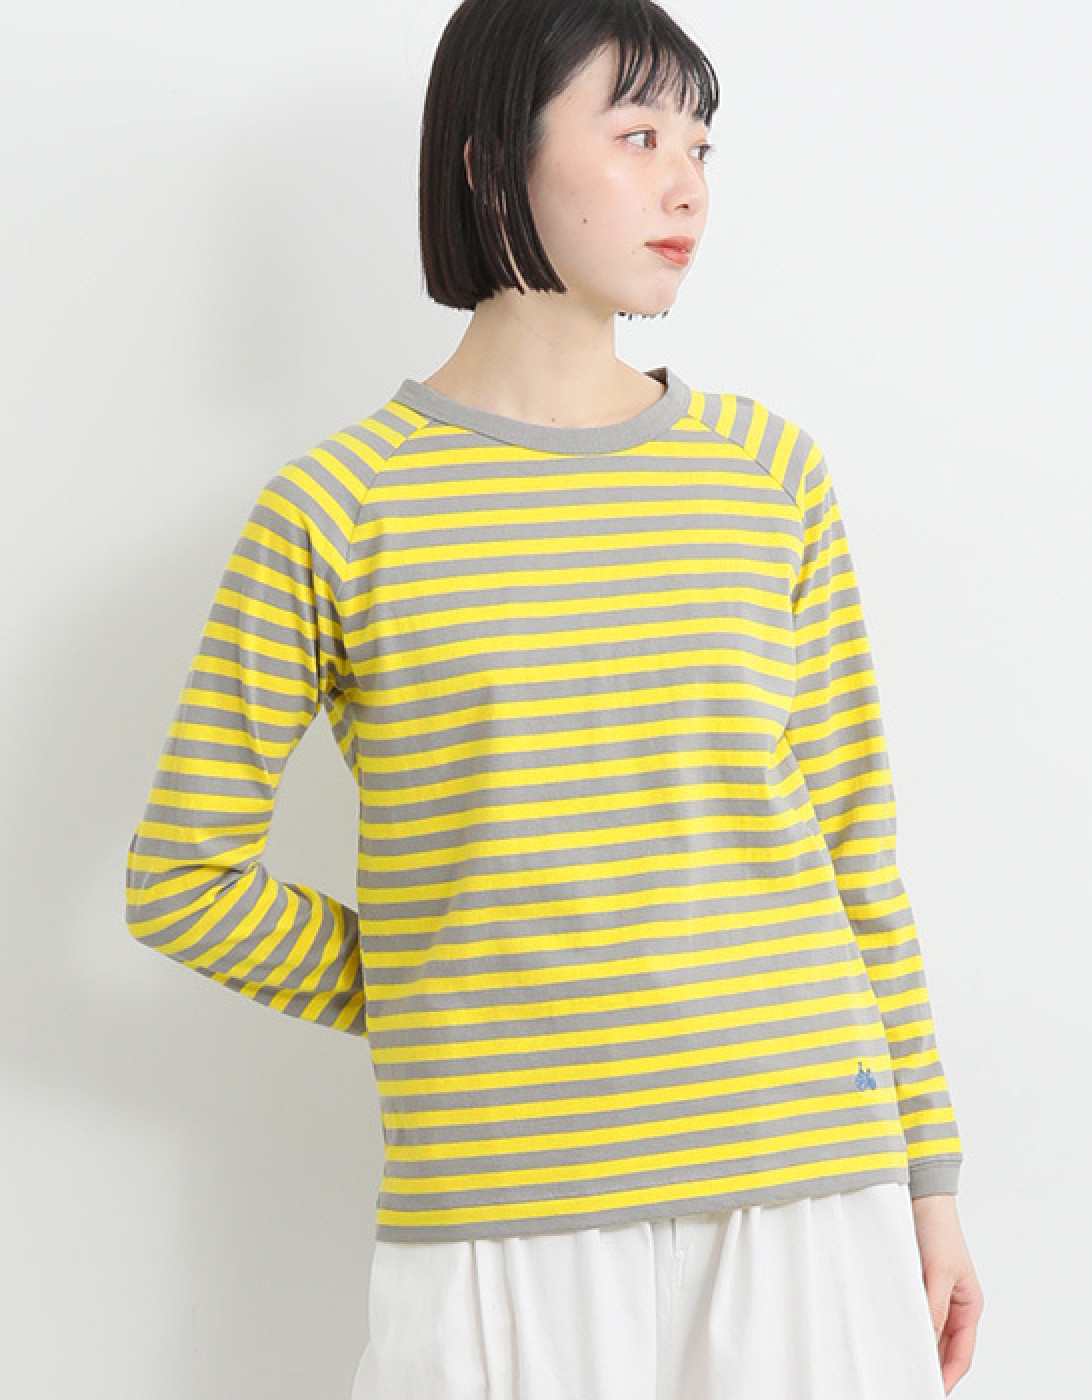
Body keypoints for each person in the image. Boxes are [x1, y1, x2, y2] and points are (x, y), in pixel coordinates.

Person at [124, 0, 984, 1395]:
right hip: (500, 1209)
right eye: (638, 135)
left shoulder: (767, 474)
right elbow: (181, 880)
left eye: (700, 145)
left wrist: (929, 1181)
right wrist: (446, 980)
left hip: (809, 1180)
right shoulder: (335, 510)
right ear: (489, 161)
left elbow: (853, 854)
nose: (687, 184)